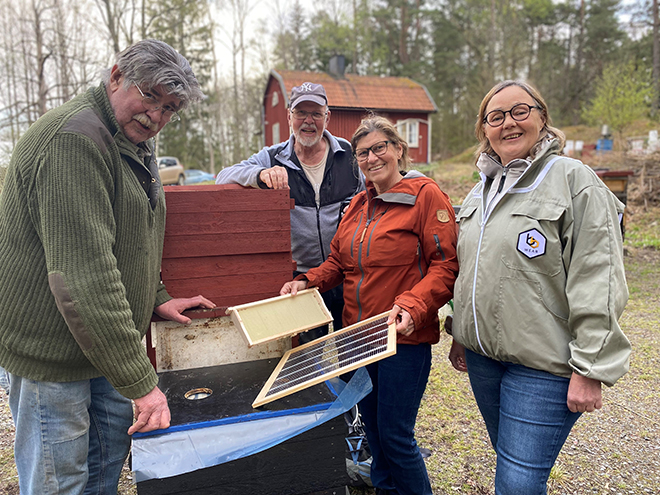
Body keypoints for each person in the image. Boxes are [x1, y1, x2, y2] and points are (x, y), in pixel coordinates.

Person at [0, 39, 215, 495]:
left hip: (104, 350)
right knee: (62, 484)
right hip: (52, 354)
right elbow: (82, 277)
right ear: (116, 75)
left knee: (101, 475)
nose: (156, 116)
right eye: (150, 96)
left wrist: (155, 297)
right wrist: (142, 384)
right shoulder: (73, 142)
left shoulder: (131, 142)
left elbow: (130, 237)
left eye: (170, 108)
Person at [448, 80, 631, 494]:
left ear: (542, 117)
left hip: (545, 366)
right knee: (513, 465)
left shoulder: (573, 179)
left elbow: (598, 275)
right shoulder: (481, 191)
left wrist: (590, 367)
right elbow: (468, 270)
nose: (508, 123)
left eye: (520, 111)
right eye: (495, 117)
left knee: (517, 481)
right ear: (484, 130)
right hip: (484, 360)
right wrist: (460, 332)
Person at [281, 116, 458, 495]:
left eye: (380, 148)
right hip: (358, 339)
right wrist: (305, 280)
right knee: (374, 432)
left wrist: (413, 304)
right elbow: (338, 263)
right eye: (363, 153)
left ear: (398, 150)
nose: (372, 158)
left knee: (396, 437)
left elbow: (446, 266)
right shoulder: (359, 204)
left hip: (400, 339)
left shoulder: (425, 195)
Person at [216, 82, 362, 341]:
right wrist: (260, 174)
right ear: (289, 117)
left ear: (327, 117)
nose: (308, 121)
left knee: (351, 350)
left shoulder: (349, 155)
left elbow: (374, 191)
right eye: (301, 113)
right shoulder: (273, 156)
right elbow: (223, 177)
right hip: (299, 279)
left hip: (344, 273)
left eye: (316, 113)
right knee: (304, 357)